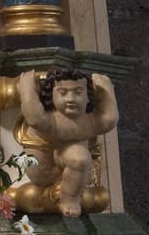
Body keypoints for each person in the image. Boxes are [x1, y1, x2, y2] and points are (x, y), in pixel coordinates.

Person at [17, 67, 119, 217]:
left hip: (72, 164)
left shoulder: (89, 120)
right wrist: (27, 89)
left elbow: (109, 120)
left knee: (80, 159)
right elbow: (34, 117)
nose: (70, 99)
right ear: (51, 95)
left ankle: (69, 198)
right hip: (43, 168)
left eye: (78, 92)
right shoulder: (52, 118)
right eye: (63, 93)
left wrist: (106, 91)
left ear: (88, 96)